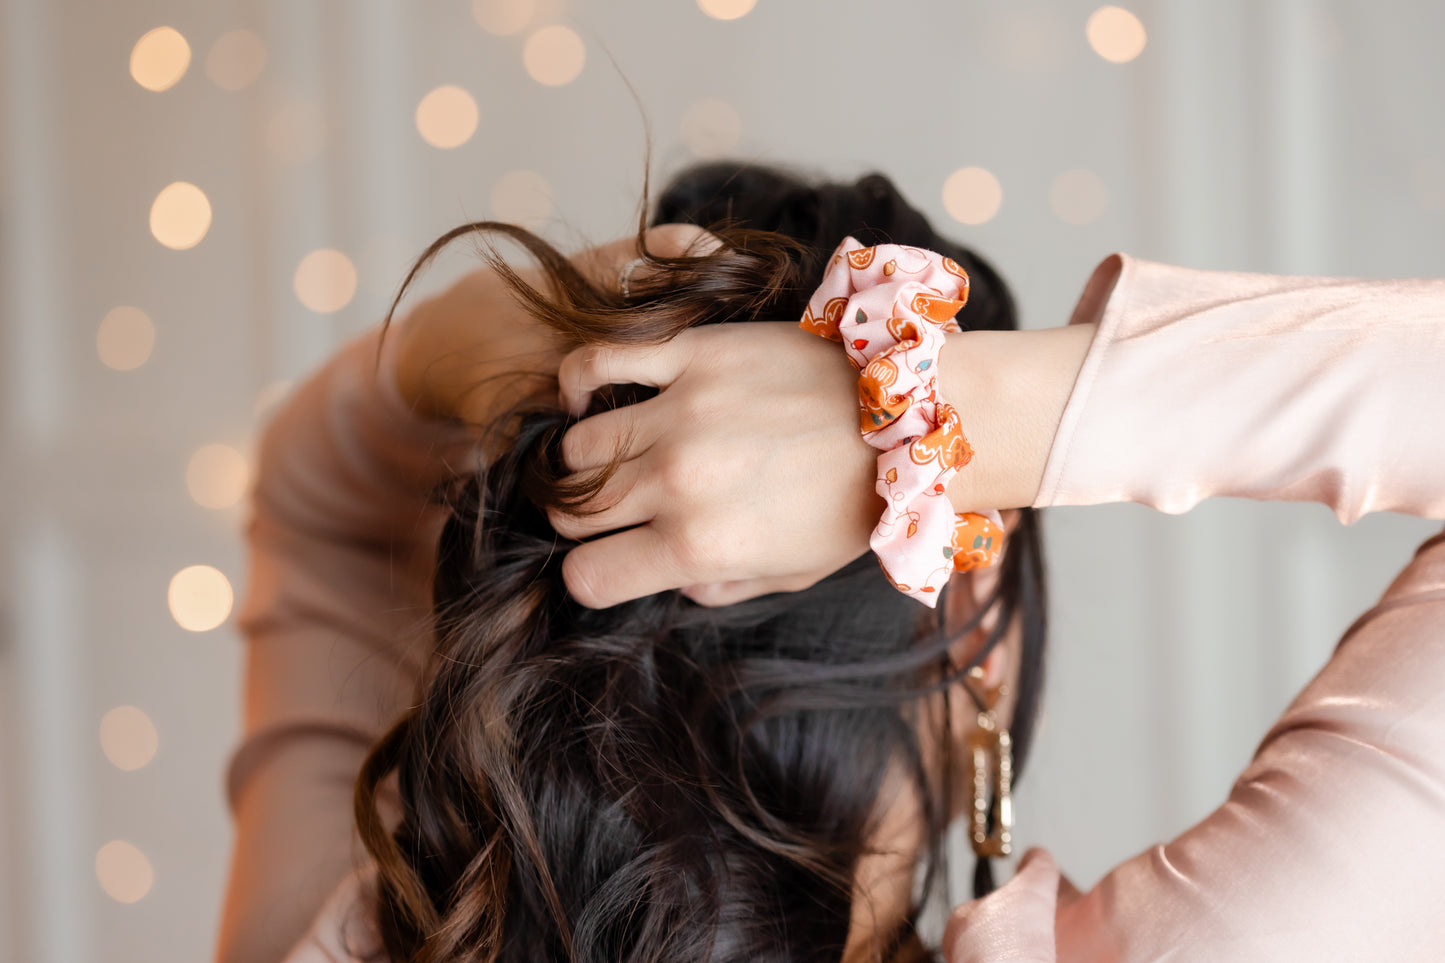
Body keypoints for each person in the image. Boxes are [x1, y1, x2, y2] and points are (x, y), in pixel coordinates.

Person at [216, 162, 1445, 963]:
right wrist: (942, 418)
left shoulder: (368, 934)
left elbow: (315, 484)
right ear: (970, 601)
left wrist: (550, 332)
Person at [216, 165, 1052, 963]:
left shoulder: (367, 930)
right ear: (969, 584)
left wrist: (488, 335)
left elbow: (317, 494)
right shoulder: (1141, 933)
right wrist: (974, 414)